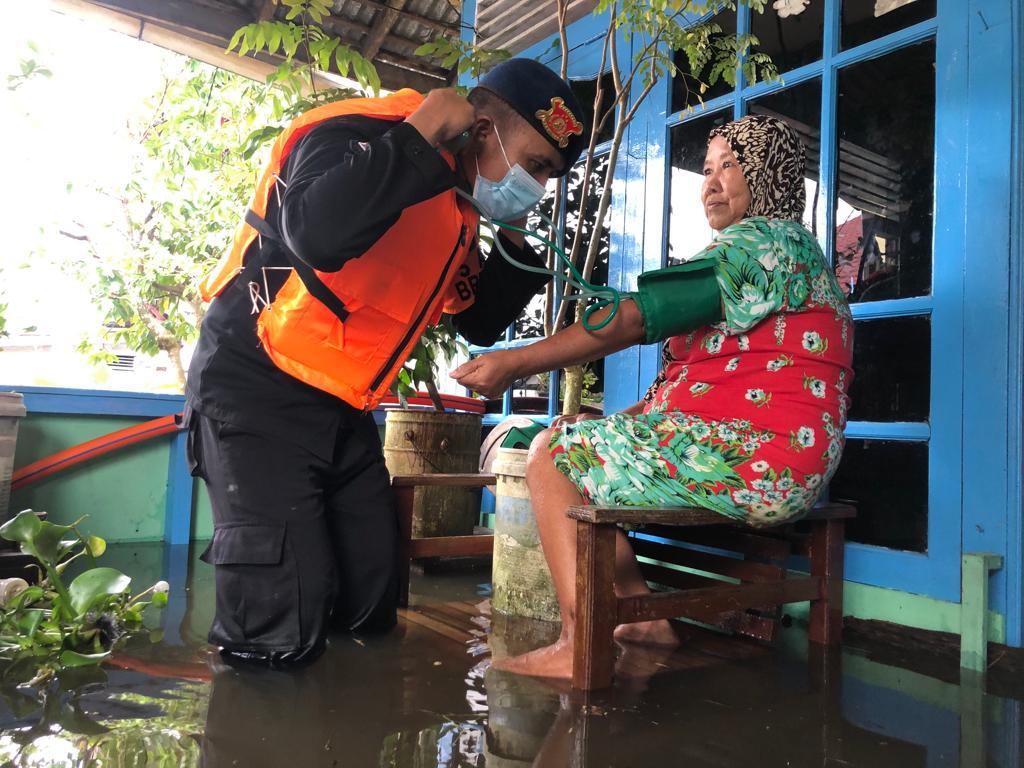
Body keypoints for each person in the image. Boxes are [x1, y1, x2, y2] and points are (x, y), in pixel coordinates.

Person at [184, 58, 587, 665]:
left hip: (339, 406)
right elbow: (314, 231)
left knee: (371, 596)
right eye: (534, 166)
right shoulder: (361, 132)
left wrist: (513, 235)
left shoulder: (457, 211)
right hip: (254, 383)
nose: (537, 186)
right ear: (482, 131)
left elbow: (477, 320)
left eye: (548, 176)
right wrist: (419, 133)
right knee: (279, 621)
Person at [452, 114, 854, 679]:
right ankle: (642, 620)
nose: (711, 184)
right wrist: (605, 422)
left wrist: (514, 362)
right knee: (573, 434)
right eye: (707, 169)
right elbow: (701, 383)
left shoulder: (768, 243)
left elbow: (636, 318)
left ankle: (578, 645)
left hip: (765, 458)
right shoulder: (771, 257)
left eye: (730, 166)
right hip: (775, 457)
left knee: (552, 456)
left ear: (767, 175)